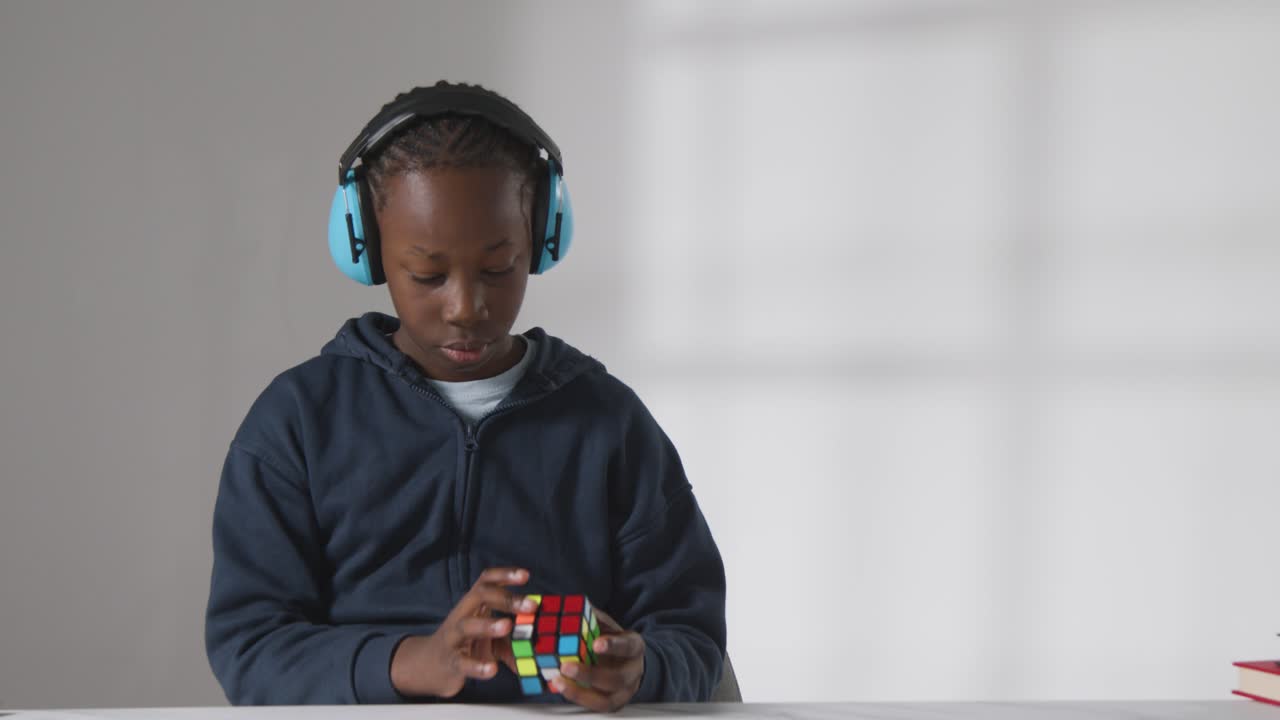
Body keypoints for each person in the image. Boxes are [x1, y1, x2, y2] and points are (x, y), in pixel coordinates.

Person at [204, 81, 727, 710]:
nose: (465, 307)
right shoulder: (297, 422)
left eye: (498, 269)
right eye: (427, 275)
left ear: (542, 239)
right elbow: (251, 647)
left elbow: (692, 636)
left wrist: (641, 671)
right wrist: (415, 662)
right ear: (365, 249)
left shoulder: (608, 423)